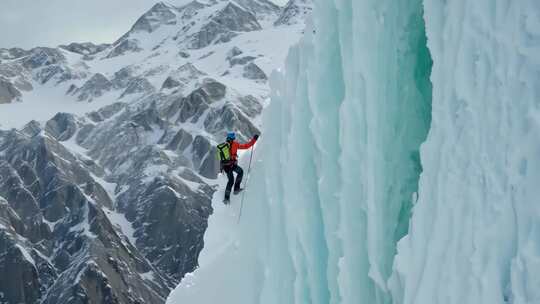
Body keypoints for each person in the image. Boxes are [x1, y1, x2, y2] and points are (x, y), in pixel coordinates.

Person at [219, 132, 259, 204]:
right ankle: (236, 189)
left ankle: (226, 198)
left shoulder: (223, 146)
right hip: (233, 164)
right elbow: (246, 146)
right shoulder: (235, 144)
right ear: (233, 138)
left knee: (230, 181)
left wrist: (221, 167)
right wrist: (254, 140)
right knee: (240, 172)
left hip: (226, 166)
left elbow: (221, 158)